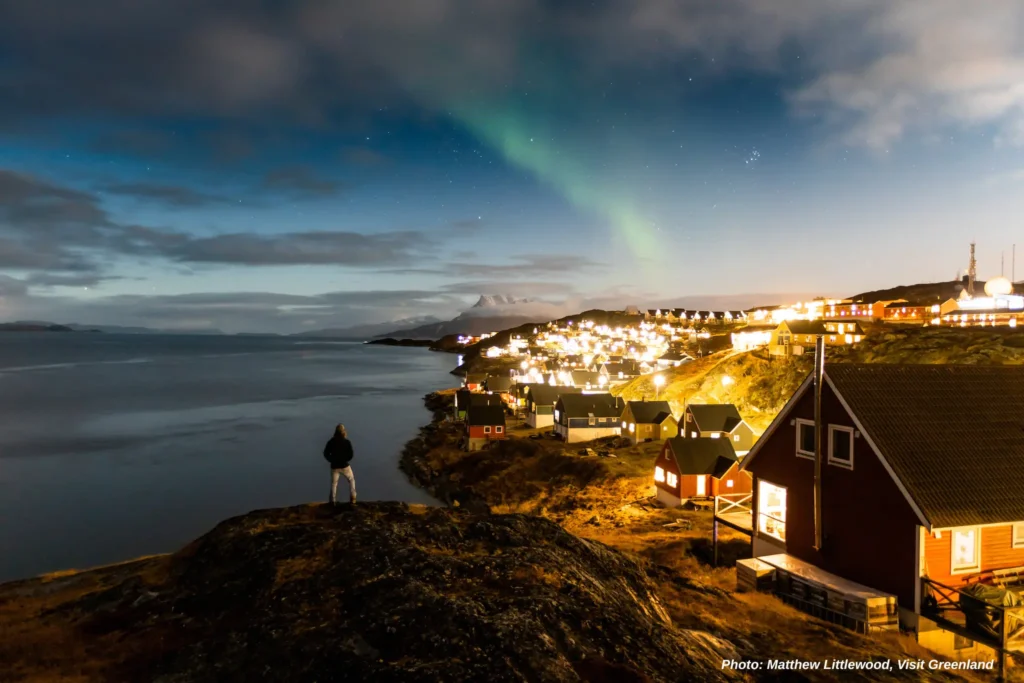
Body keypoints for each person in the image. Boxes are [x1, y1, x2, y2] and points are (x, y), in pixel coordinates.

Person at [323, 424, 356, 504]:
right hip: (345, 466)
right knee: (351, 480)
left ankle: (332, 501)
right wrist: (345, 460)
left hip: (334, 466)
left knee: (334, 484)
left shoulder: (331, 442)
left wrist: (331, 460)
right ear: (343, 431)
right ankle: (353, 498)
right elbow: (351, 454)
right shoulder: (346, 442)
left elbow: (325, 453)